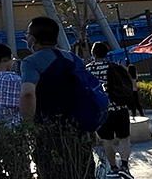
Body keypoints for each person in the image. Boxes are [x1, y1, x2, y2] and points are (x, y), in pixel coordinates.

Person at [20, 17, 96, 179]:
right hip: (78, 129)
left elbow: (28, 93)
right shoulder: (73, 59)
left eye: (27, 34)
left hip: (49, 132)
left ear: (33, 39)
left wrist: (27, 125)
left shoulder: (31, 62)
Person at [86, 42, 134, 178]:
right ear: (106, 53)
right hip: (119, 108)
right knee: (124, 138)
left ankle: (113, 168)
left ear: (93, 53)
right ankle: (124, 166)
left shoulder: (88, 70)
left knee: (107, 140)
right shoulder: (115, 67)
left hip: (101, 110)